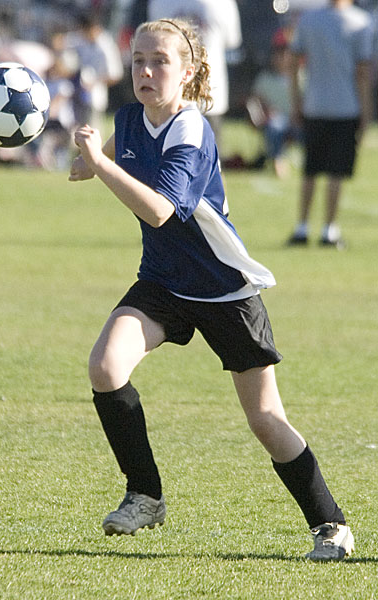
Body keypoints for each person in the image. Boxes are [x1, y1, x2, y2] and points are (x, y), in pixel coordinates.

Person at [69, 18, 353, 561]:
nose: (145, 71)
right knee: (105, 367)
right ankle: (145, 494)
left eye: (160, 61)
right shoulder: (128, 119)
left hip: (224, 291)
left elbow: (159, 210)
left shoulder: (192, 130)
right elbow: (109, 155)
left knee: (265, 419)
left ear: (188, 71)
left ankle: (331, 524)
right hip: (162, 283)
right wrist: (84, 160)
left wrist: (100, 165)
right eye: (138, 61)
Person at [287, 0, 374, 248]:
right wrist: (366, 112)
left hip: (314, 105)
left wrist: (296, 100)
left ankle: (302, 226)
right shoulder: (361, 21)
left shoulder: (308, 20)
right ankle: (329, 229)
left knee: (310, 170)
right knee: (336, 171)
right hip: (345, 107)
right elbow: (362, 72)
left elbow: (293, 63)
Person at [147, 0, 241, 156]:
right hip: (203, 91)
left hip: (186, 92)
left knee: (171, 156)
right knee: (203, 159)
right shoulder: (223, 3)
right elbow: (232, 42)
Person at [250, 29, 301, 178]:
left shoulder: (303, 77)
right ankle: (278, 160)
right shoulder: (264, 79)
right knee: (275, 126)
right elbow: (255, 102)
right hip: (274, 120)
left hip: (297, 121)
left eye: (287, 53)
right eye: (279, 53)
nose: (283, 57)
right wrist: (263, 115)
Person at [64, 10, 123, 131]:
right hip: (75, 95)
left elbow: (115, 74)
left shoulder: (105, 46)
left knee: (91, 131)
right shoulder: (80, 41)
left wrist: (94, 82)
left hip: (94, 97)